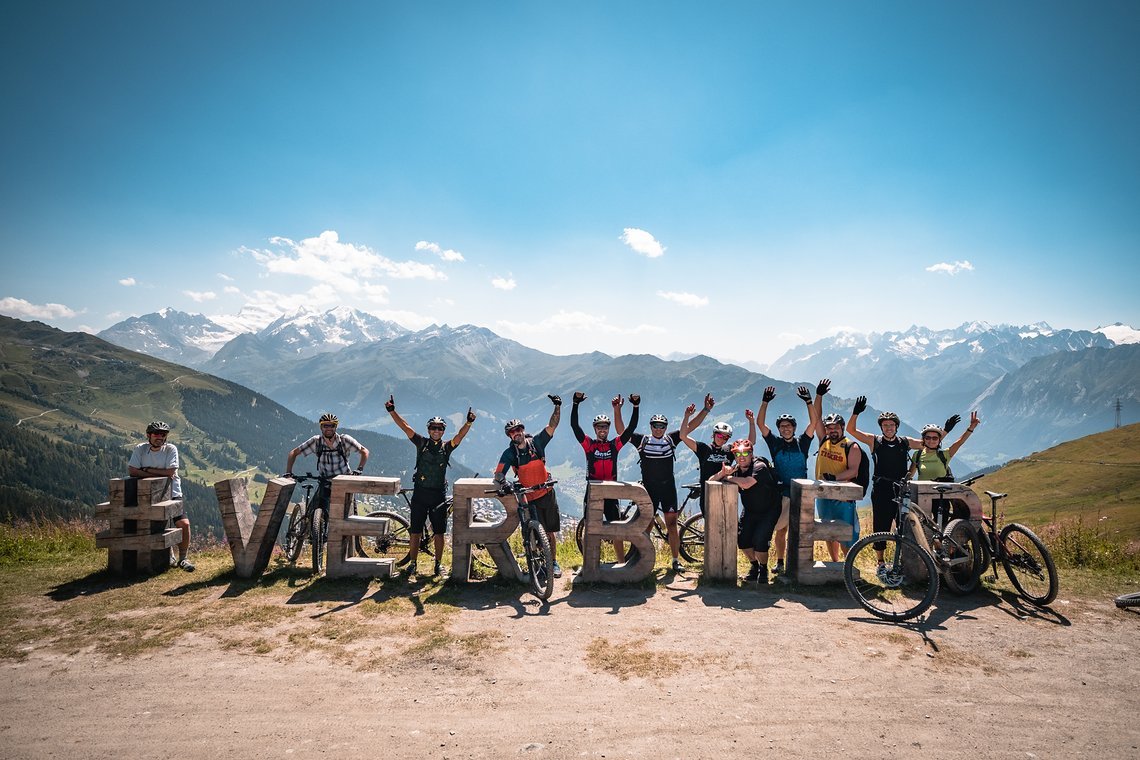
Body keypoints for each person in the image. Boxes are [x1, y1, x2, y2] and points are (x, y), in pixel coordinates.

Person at [847, 398, 960, 575]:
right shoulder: (874, 441)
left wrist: (945, 430)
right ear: (881, 427)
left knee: (905, 526)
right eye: (885, 425)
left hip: (901, 489)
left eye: (892, 425)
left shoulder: (905, 442)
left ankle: (905, 561)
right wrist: (856, 412)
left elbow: (929, 443)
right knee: (880, 525)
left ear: (897, 427)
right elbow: (851, 430)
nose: (889, 428)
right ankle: (881, 562)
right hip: (881, 489)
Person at [385, 396, 476, 576]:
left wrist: (469, 423)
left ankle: (438, 564)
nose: (436, 431)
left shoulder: (447, 447)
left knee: (439, 533)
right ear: (428, 430)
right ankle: (412, 563)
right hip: (420, 493)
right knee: (415, 531)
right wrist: (391, 411)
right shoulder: (421, 443)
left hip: (438, 495)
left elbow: (459, 436)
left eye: (439, 428)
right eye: (433, 428)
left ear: (443, 431)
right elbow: (405, 427)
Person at [618, 397, 704, 572]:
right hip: (649, 490)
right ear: (650, 427)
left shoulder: (670, 439)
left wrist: (703, 411)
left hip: (668, 489)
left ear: (665, 428)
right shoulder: (643, 441)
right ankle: (644, 561)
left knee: (671, 525)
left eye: (662, 426)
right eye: (655, 425)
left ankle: (675, 560)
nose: (659, 429)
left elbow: (688, 429)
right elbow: (622, 432)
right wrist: (617, 409)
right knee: (647, 526)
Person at [493, 394, 564, 578]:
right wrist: (504, 483)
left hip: (547, 492)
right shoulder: (510, 453)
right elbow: (499, 473)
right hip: (529, 497)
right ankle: (540, 564)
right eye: (512, 432)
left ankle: (553, 562)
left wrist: (557, 406)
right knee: (536, 534)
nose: (516, 433)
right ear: (509, 435)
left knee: (549, 533)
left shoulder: (537, 443)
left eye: (518, 429)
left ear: (523, 430)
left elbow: (552, 426)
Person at [756, 384, 818, 576]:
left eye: (788, 426)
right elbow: (760, 424)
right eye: (782, 427)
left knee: (802, 531)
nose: (785, 429)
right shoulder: (775, 443)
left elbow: (814, 422)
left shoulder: (803, 442)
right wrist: (765, 402)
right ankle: (781, 562)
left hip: (803, 494)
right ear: (779, 429)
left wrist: (809, 401)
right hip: (783, 493)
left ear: (794, 428)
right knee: (781, 530)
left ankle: (800, 563)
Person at [570, 391, 639, 562]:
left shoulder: (614, 445)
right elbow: (574, 427)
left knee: (616, 528)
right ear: (595, 429)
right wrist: (575, 404)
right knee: (590, 528)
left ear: (608, 429)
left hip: (611, 491)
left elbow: (630, 429)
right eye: (599, 427)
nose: (602, 429)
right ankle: (589, 565)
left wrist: (635, 407)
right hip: (593, 490)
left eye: (605, 427)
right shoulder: (589, 445)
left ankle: (621, 563)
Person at [707, 439, 781, 584]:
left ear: (751, 454)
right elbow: (710, 480)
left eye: (745, 453)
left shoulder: (759, 467)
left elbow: (747, 483)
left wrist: (728, 477)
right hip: (751, 510)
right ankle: (754, 566)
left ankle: (763, 568)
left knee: (760, 542)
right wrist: (721, 473)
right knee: (743, 541)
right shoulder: (736, 469)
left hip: (769, 510)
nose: (741, 457)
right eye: (737, 454)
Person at [284, 412, 369, 528]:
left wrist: (359, 469)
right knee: (312, 514)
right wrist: (289, 472)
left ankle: (352, 542)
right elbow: (293, 453)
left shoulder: (344, 440)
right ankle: (312, 535)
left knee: (349, 516)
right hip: (325, 481)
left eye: (332, 425)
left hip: (344, 482)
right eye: (326, 426)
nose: (329, 428)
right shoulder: (316, 442)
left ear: (336, 427)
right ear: (321, 427)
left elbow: (364, 451)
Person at [129, 420, 194, 571]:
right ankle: (169, 555)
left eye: (163, 434)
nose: (160, 437)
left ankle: (183, 558)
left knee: (184, 524)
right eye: (156, 434)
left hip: (173, 493)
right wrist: (159, 472)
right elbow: (132, 471)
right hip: (149, 496)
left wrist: (146, 470)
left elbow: (171, 472)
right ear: (148, 435)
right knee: (158, 525)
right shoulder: (140, 449)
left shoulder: (170, 449)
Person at [812, 379, 862, 562]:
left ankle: (848, 566)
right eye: (829, 427)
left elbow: (853, 470)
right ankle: (834, 563)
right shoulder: (823, 440)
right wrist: (819, 396)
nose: (832, 430)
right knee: (828, 530)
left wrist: (835, 477)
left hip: (843, 495)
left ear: (842, 428)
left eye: (835, 427)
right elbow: (816, 418)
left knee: (845, 533)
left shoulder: (851, 446)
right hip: (823, 494)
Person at [679, 393, 747, 519]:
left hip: (727, 493)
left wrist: (752, 422)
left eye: (726, 437)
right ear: (714, 435)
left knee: (728, 527)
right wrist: (687, 416)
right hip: (707, 494)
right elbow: (683, 436)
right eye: (720, 435)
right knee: (712, 530)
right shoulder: (704, 449)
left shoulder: (729, 450)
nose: (723, 439)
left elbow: (750, 443)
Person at [908, 411, 981, 523]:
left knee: (941, 528)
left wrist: (971, 427)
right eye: (928, 438)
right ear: (923, 439)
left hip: (941, 497)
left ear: (939, 440)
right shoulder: (917, 455)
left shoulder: (944, 455)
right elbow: (910, 475)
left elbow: (960, 442)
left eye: (934, 438)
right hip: (922, 496)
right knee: (922, 528)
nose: (931, 441)